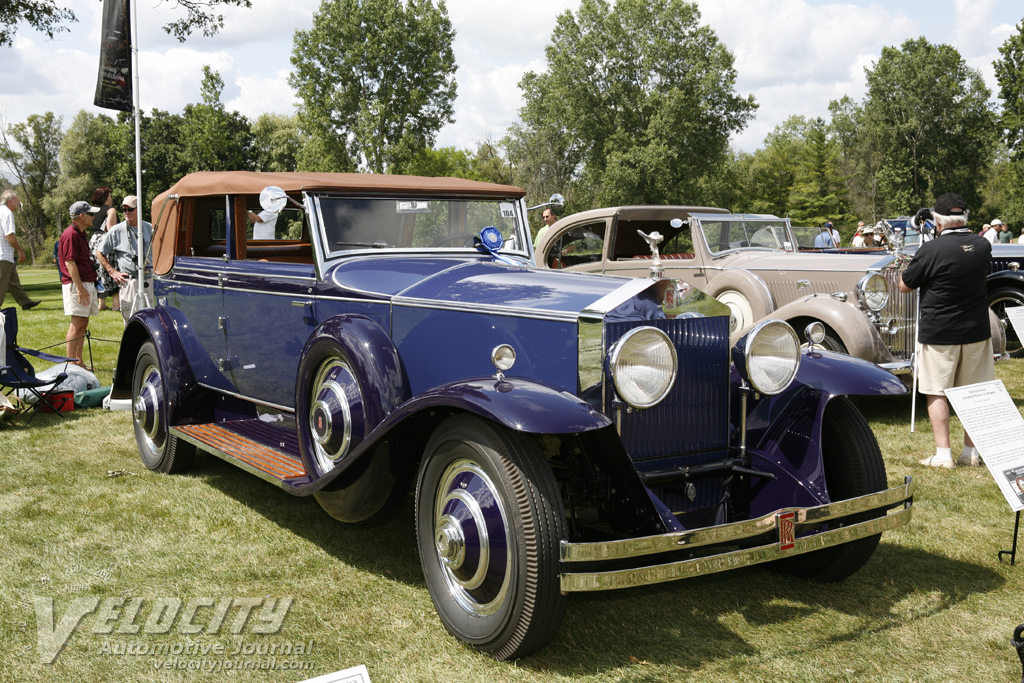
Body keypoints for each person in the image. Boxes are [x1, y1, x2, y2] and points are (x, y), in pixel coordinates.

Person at [899, 193, 993, 469]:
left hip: (940, 331)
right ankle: (970, 452)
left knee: (937, 391)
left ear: (938, 220)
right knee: (974, 391)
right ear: (964, 217)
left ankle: (943, 455)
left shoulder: (931, 249)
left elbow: (906, 284)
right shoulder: (983, 244)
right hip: (976, 328)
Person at [96, 195, 152, 323]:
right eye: (124, 210)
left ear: (138, 210)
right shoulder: (116, 230)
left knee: (151, 319)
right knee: (131, 320)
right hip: (129, 282)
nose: (126, 213)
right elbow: (99, 252)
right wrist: (112, 271)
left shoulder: (149, 228)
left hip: (149, 280)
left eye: (130, 209)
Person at [59, 201, 101, 369]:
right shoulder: (71, 234)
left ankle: (79, 362)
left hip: (85, 282)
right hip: (78, 284)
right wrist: (80, 288)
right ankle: (71, 364)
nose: (93, 217)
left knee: (83, 323)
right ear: (82, 216)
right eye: (91, 214)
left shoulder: (80, 234)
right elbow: (70, 263)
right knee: (76, 324)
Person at [0, 190, 42, 310]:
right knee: (1, 282)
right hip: (3, 255)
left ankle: (25, 302)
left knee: (13, 282)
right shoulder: (7, 213)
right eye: (17, 200)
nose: (18, 202)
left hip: (3, 255)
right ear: (9, 201)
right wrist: (20, 250)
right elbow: (9, 235)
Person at [89, 187, 119, 311]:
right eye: (110, 195)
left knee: (98, 270)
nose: (111, 198)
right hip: (106, 240)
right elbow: (110, 227)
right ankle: (116, 304)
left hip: (93, 239)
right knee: (112, 267)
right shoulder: (111, 210)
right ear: (105, 196)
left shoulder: (92, 210)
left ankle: (101, 303)